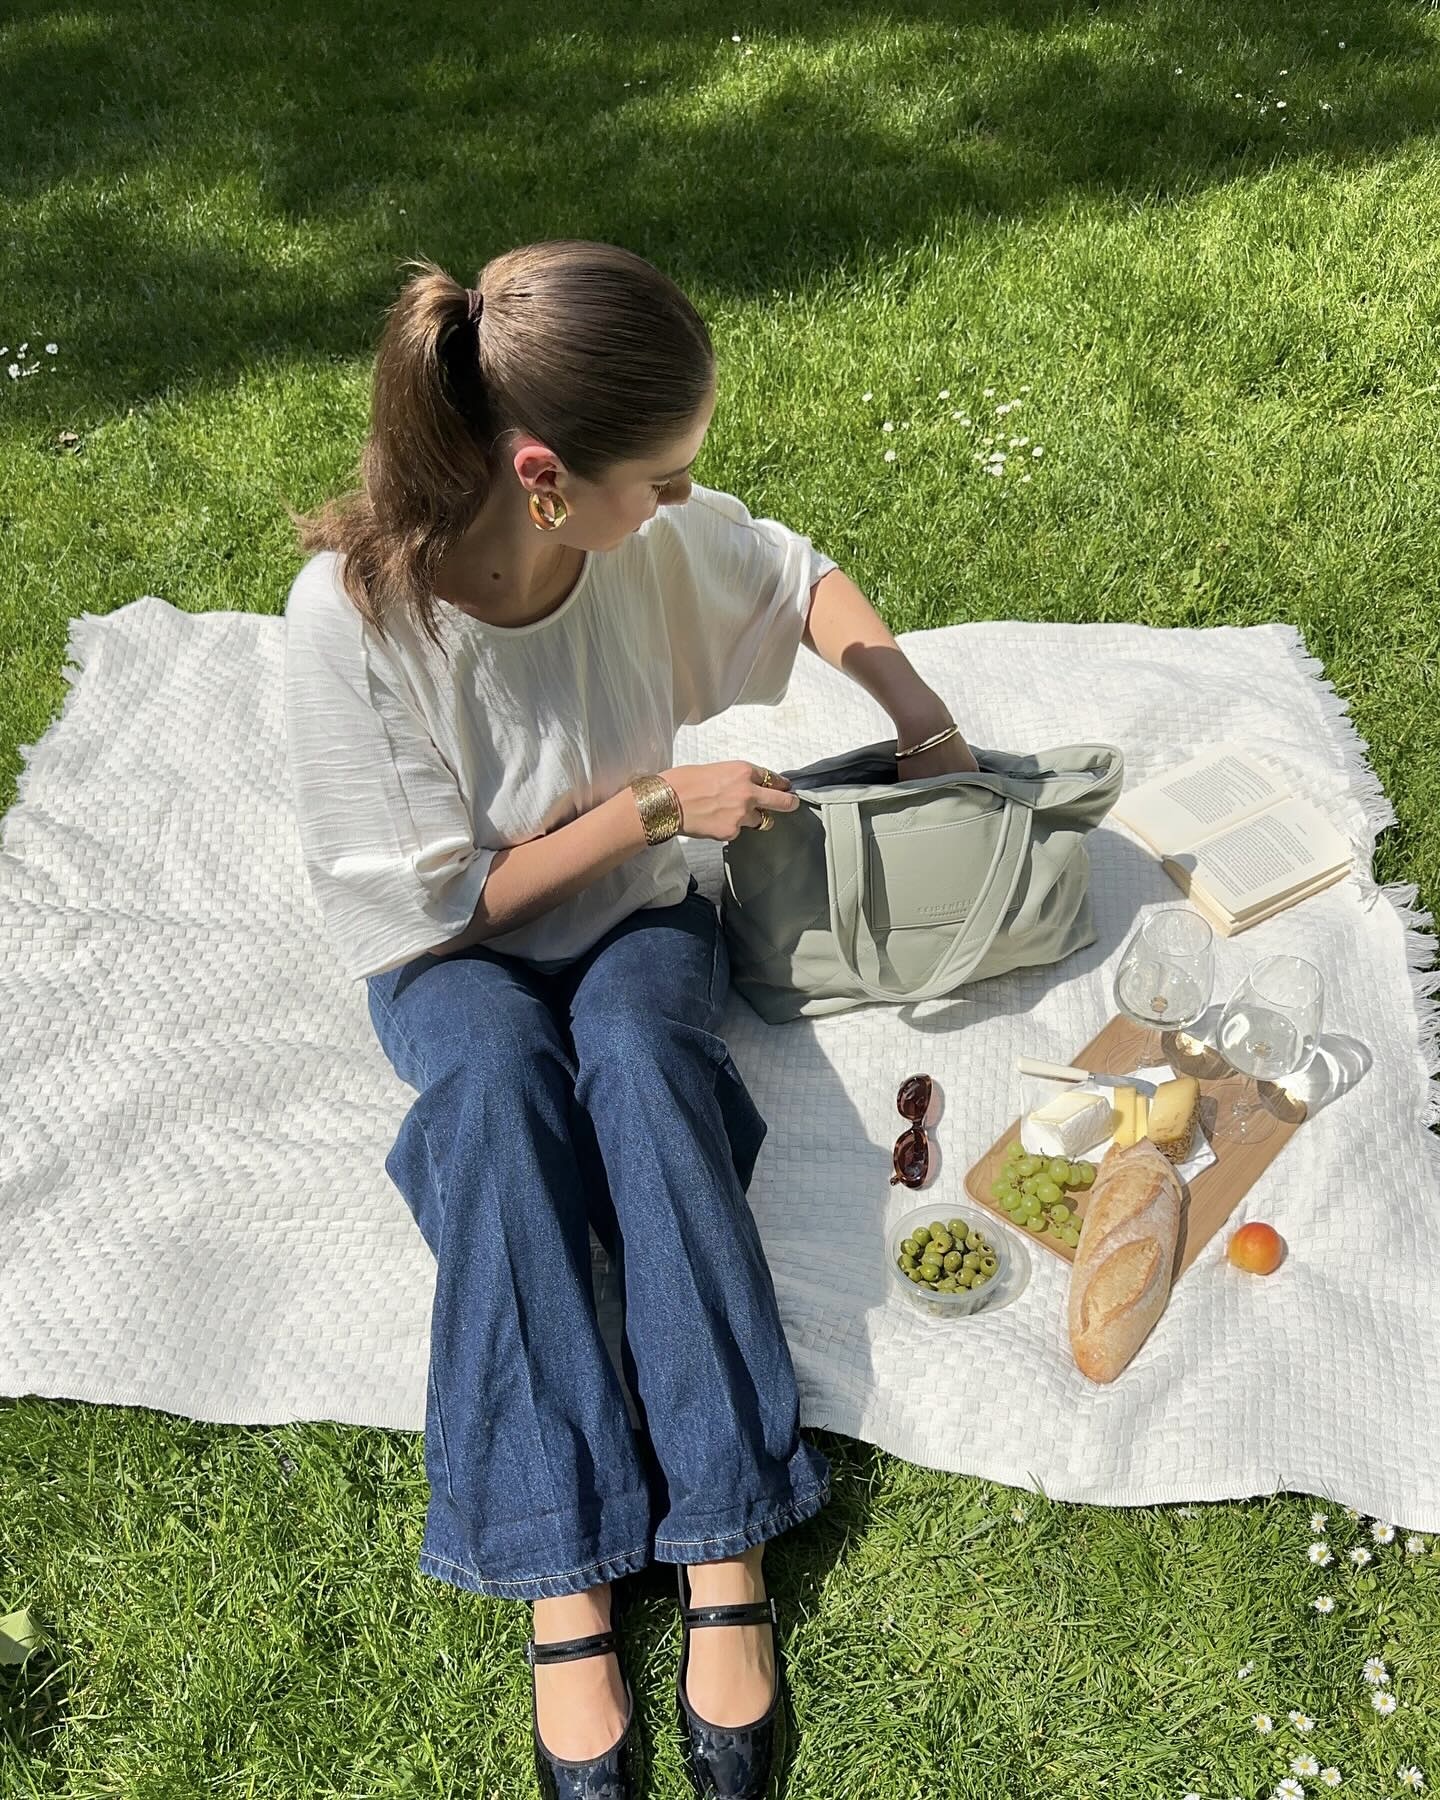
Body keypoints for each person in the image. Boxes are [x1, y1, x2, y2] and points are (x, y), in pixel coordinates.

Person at [282, 241, 977, 1800]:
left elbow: (796, 576)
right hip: (456, 950)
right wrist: (656, 803)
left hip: (639, 921)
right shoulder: (355, 623)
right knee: (491, 1102)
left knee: (652, 1073)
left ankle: (724, 1542)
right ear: (542, 476)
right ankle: (565, 1574)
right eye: (659, 480)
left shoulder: (645, 543)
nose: (682, 502)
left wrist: (921, 717)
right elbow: (426, 914)